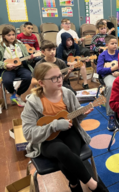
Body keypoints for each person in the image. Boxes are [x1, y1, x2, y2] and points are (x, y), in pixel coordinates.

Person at [21, 63, 104, 192]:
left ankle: (74, 184)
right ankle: (93, 185)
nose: (60, 80)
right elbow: (28, 133)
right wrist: (54, 125)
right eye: (54, 78)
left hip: (69, 131)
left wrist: (82, 113)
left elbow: (76, 118)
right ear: (42, 83)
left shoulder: (67, 93)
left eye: (60, 76)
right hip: (46, 139)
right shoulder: (33, 102)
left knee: (68, 158)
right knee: (62, 151)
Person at [0, 26, 33, 107]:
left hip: (20, 67)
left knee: (28, 77)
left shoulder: (20, 44)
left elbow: (27, 58)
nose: (11, 37)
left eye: (13, 34)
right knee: (7, 81)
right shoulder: (1, 46)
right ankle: (13, 94)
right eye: (9, 35)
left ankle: (17, 95)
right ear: (4, 36)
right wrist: (5, 65)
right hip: (7, 69)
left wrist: (30, 59)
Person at [96, 35, 119, 131]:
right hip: (107, 75)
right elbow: (99, 70)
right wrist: (111, 69)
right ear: (107, 45)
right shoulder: (103, 55)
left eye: (116, 43)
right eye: (112, 43)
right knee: (111, 85)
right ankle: (111, 115)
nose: (115, 45)